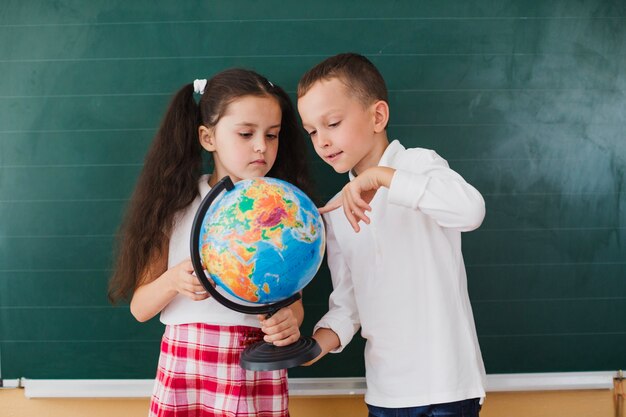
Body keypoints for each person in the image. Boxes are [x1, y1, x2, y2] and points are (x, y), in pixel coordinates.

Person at [108, 68, 314, 417]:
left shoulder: (285, 210)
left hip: (254, 366)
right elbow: (140, 308)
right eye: (246, 133)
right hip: (187, 366)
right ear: (208, 137)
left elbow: (293, 300)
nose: (262, 146)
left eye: (273, 135)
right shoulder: (176, 207)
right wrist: (173, 279)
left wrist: (290, 320)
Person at [296, 53, 486, 416]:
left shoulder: (418, 164)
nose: (321, 141)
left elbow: (470, 211)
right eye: (312, 132)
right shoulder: (338, 208)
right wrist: (313, 346)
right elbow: (350, 303)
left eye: (332, 123)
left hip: (446, 386)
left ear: (377, 116)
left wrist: (383, 178)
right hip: (385, 393)